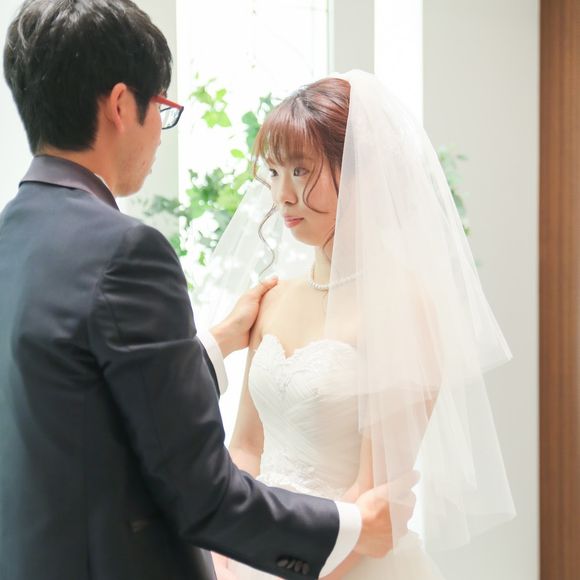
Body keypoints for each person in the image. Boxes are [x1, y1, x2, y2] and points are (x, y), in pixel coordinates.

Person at [0, 3, 415, 580]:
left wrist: (218, 343)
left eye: (302, 170)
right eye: (162, 109)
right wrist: (350, 528)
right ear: (121, 105)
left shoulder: (11, 237)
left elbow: (85, 395)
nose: (284, 193)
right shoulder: (125, 251)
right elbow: (200, 489)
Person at [202, 71, 516, 579]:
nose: (282, 195)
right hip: (255, 558)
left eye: (301, 171)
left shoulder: (403, 305)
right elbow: (245, 446)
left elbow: (375, 493)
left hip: (349, 564)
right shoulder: (272, 299)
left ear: (359, 173)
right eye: (274, 172)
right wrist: (229, 554)